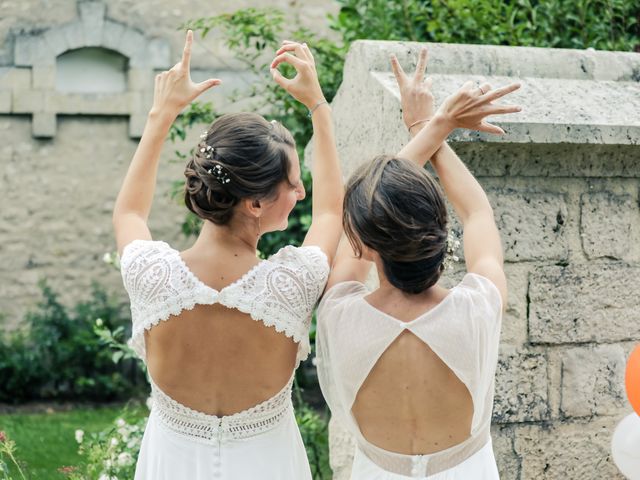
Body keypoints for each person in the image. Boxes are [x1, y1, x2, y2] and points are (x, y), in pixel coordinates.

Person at [112, 32, 342, 479]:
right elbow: (331, 211)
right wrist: (319, 107)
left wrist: (162, 114)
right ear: (254, 204)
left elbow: (128, 211)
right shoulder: (292, 284)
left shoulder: (150, 274)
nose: (301, 192)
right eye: (293, 183)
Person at [316, 48, 521, 479]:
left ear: (364, 244)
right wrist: (429, 126)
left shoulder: (339, 312)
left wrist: (431, 127)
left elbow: (366, 216)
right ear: (441, 230)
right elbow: (478, 213)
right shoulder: (478, 307)